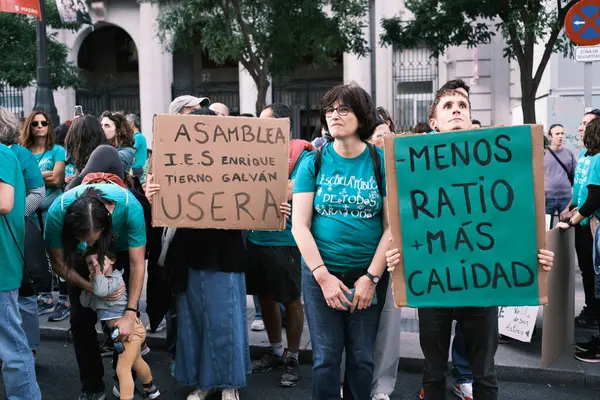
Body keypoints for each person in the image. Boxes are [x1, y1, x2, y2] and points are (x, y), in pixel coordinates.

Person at [386, 86, 555, 400]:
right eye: (448, 105)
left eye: (462, 104)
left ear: (470, 116)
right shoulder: (414, 167)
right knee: (433, 373)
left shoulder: (495, 164)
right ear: (434, 122)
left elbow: (513, 219)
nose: (456, 109)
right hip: (433, 284)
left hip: (482, 285)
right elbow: (405, 223)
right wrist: (398, 256)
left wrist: (535, 255)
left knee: (485, 375)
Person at [292, 83, 390, 400]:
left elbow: (391, 228)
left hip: (367, 277)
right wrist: (323, 277)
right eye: (330, 109)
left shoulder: (380, 163)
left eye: (343, 108)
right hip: (322, 277)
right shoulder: (314, 162)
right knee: (325, 360)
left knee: (362, 359)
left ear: (361, 117)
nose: (334, 115)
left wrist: (371, 278)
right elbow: (300, 227)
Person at [45, 183, 147, 400]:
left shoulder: (129, 207)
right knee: (80, 320)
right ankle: (92, 385)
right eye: (85, 239)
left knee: (125, 322)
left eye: (94, 238)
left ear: (108, 216)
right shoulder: (56, 213)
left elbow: (137, 264)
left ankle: (125, 380)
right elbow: (58, 263)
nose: (91, 243)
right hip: (79, 260)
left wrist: (130, 311)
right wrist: (89, 286)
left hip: (117, 249)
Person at [247, 103, 311, 387]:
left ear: (282, 126)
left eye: (266, 122)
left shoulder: (302, 154)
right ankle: (275, 350)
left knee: (291, 299)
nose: (260, 127)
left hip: (285, 240)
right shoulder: (253, 154)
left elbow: (294, 187)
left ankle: (293, 357)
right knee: (264, 298)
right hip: (255, 237)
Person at [80, 246, 161, 399]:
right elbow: (86, 303)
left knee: (122, 369)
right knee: (137, 362)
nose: (95, 265)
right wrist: (88, 290)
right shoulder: (100, 283)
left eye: (99, 261)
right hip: (123, 333)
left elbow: (102, 291)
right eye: (90, 263)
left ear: (112, 261)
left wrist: (96, 277)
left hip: (131, 330)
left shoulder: (116, 279)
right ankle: (150, 389)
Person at [0, 107, 45, 361]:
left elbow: (37, 192)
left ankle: (30, 347)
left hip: (15, 234)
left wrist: (18, 215)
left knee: (24, 296)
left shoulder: (15, 154)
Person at [560, 116, 600, 361]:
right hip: (586, 224)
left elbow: (595, 196)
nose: (580, 129)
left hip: (592, 227)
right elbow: (583, 191)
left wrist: (573, 220)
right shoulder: (586, 157)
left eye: (586, 126)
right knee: (590, 276)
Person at [20, 110, 66, 224]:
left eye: (44, 123)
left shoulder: (57, 150)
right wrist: (44, 175)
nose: (40, 126)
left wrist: (31, 179)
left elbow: (56, 180)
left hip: (52, 207)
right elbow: (19, 181)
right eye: (35, 124)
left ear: (48, 126)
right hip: (30, 210)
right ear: (29, 127)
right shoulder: (23, 152)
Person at [544, 124, 576, 228]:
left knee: (566, 229)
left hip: (566, 198)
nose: (560, 136)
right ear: (550, 137)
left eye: (562, 133)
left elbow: (575, 176)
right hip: (547, 198)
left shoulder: (569, 154)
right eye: (557, 134)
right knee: (546, 228)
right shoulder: (543, 154)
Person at [126, 114, 147, 179]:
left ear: (132, 123)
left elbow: (131, 152)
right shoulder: (138, 136)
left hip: (136, 169)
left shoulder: (138, 137)